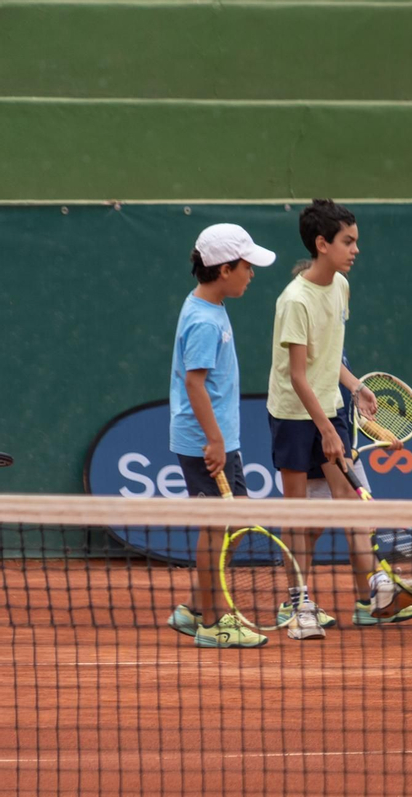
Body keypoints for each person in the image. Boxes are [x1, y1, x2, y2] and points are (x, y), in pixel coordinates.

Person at [266, 199, 399, 638]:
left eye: (356, 241)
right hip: (294, 415)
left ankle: (377, 587)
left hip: (332, 408)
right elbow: (298, 375)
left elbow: (328, 360)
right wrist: (324, 428)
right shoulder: (295, 301)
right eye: (348, 242)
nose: (355, 249)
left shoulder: (340, 285)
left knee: (350, 502)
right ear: (322, 244)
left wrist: (355, 386)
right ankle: (299, 605)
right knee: (300, 513)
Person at [165, 223, 277, 649]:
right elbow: (195, 384)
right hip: (206, 441)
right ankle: (213, 622)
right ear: (225, 269)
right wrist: (213, 440)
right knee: (217, 531)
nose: (252, 274)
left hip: (219, 438)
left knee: (234, 521)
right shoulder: (205, 322)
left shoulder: (208, 306)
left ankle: (193, 608)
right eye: (247, 267)